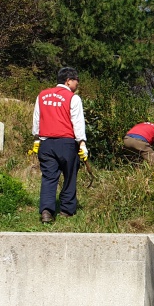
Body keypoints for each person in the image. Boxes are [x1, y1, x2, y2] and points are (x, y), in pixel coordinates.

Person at [31, 67, 87, 224]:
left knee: (49, 177)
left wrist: (37, 138)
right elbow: (77, 122)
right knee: (70, 176)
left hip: (46, 143)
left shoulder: (42, 95)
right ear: (68, 80)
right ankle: (66, 210)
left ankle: (47, 211)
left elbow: (37, 119)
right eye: (76, 81)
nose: (77, 84)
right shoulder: (73, 98)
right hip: (67, 143)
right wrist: (82, 143)